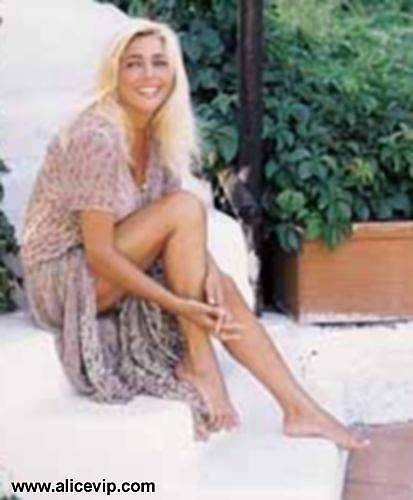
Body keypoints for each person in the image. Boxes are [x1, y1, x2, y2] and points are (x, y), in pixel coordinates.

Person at [20, 18, 369, 448]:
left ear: (174, 72)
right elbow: (100, 253)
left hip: (114, 264)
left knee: (220, 284)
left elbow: (174, 228)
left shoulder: (157, 133)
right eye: (134, 64)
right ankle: (201, 363)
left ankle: (299, 409)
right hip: (65, 280)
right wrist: (180, 304)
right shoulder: (95, 137)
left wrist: (209, 274)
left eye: (159, 63)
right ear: (115, 73)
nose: (148, 75)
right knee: (187, 209)